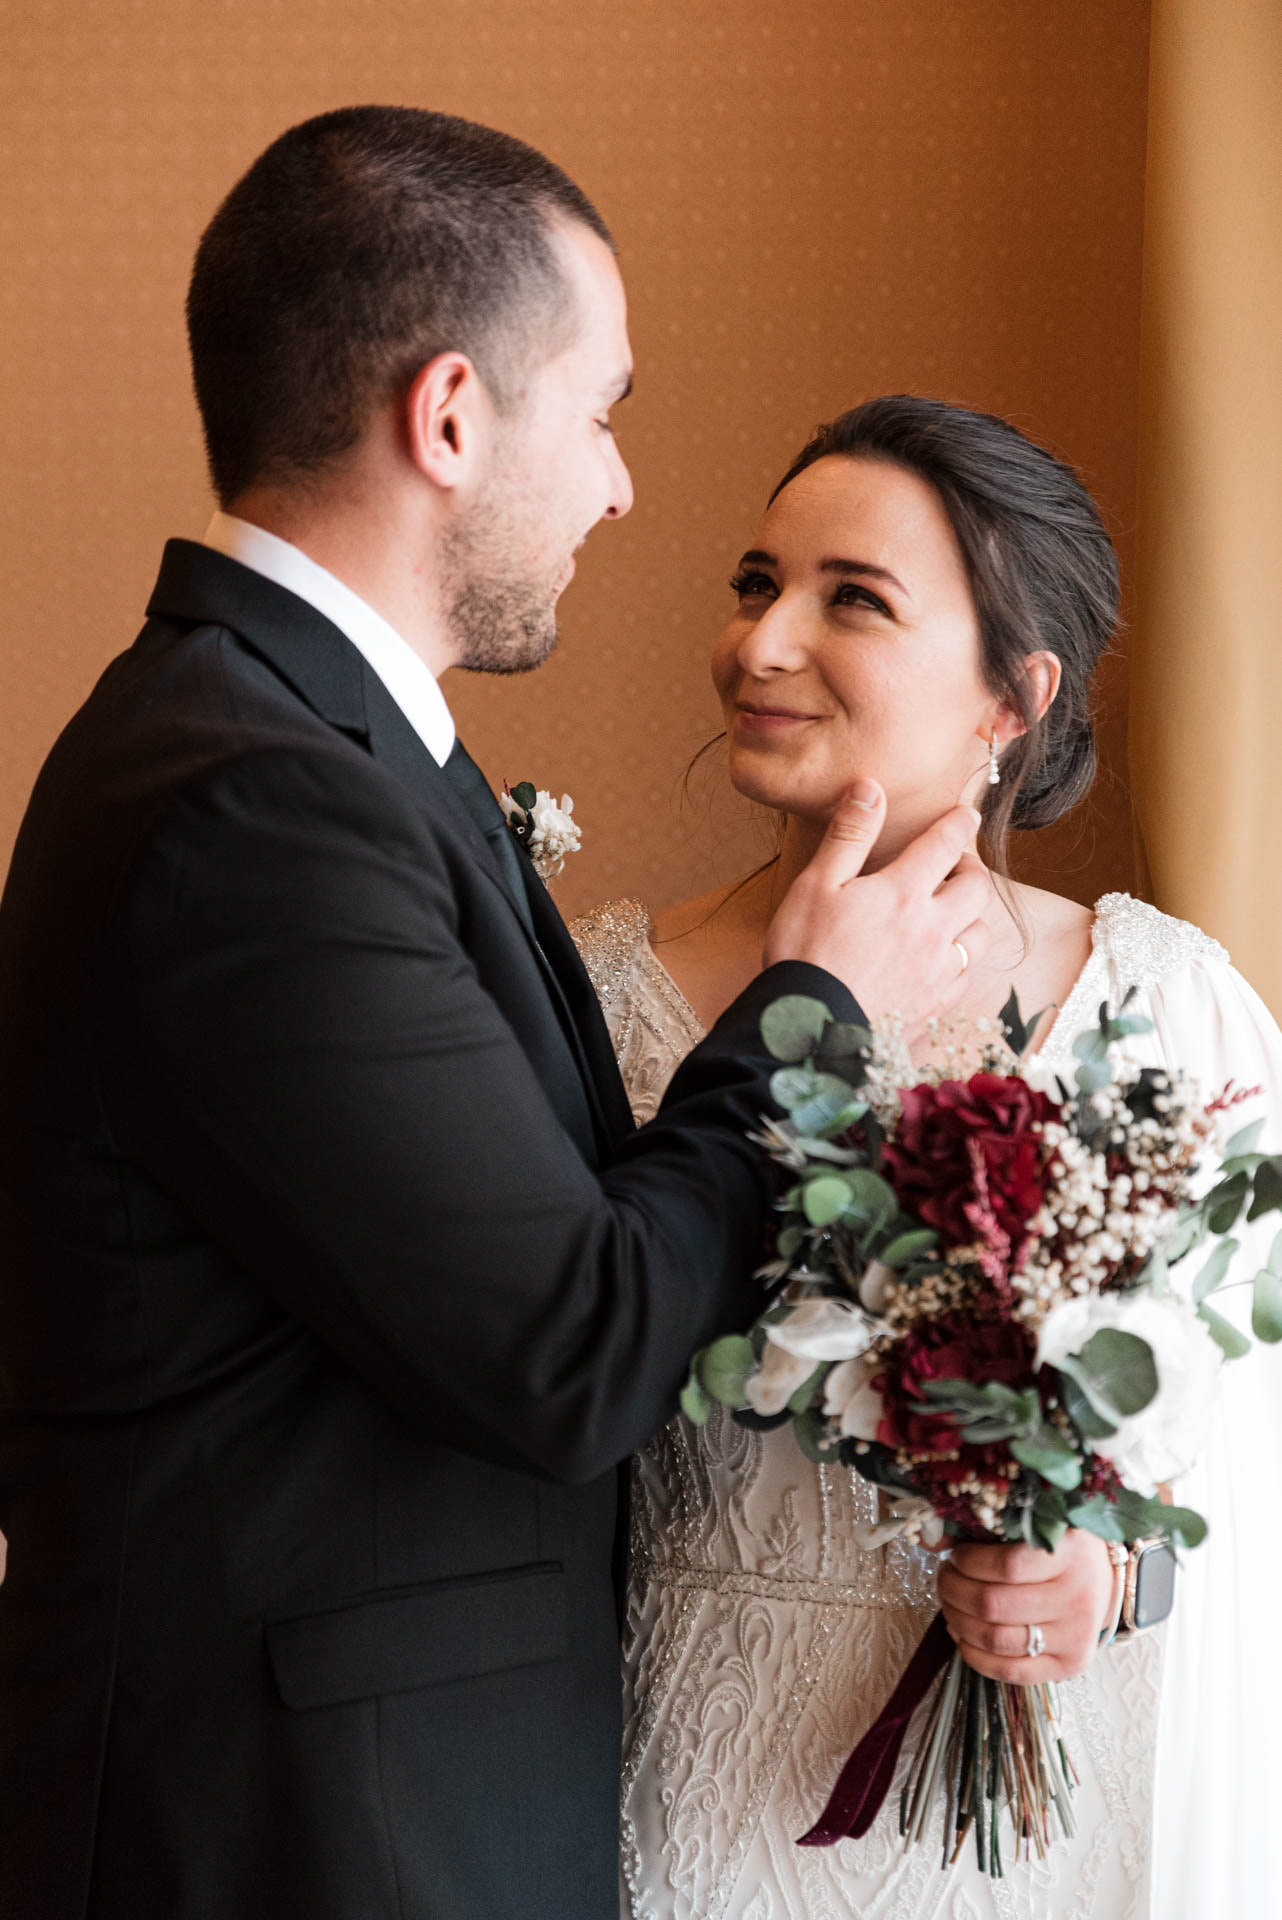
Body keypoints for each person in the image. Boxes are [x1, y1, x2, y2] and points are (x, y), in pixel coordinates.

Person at [0, 114, 1000, 1920]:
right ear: (450, 416)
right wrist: (818, 1008)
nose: (622, 488)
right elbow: (573, 1345)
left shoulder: (313, 749)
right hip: (302, 1832)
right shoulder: (250, 796)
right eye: (600, 410)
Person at [571, 394, 1282, 1920]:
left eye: (853, 601)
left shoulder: (1167, 1010)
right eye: (757, 584)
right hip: (692, 1779)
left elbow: (1250, 1471)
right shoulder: (590, 999)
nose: (760, 646)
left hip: (1062, 1811)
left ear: (1010, 698)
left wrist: (1106, 1572)